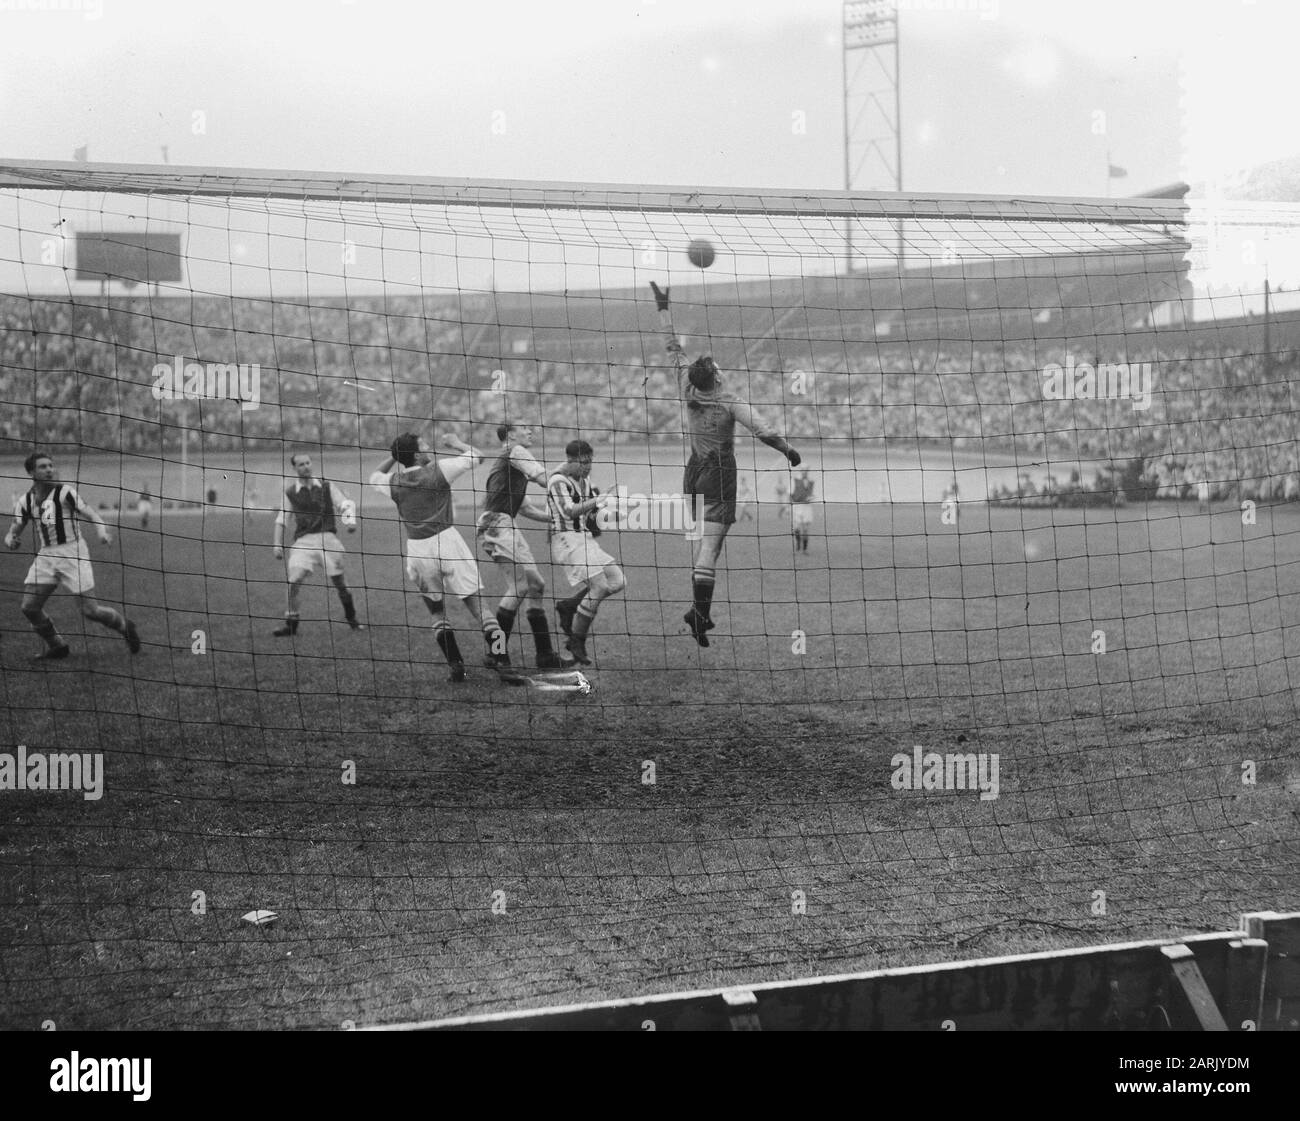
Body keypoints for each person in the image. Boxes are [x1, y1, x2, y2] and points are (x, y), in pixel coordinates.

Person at [649, 281, 801, 646]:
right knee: (709, 548)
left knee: (710, 546)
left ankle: (699, 612)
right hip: (718, 475)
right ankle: (699, 614)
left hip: (693, 474)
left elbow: (672, 347)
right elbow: (761, 429)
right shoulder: (729, 399)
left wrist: (663, 309)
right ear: (716, 376)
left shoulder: (687, 387)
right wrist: (788, 450)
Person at [369, 431, 508, 682]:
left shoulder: (393, 483)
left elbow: (372, 477)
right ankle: (502, 659)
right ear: (417, 453)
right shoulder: (438, 470)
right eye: (423, 444)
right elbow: (477, 456)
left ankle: (456, 665)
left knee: (436, 613)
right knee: (481, 609)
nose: (428, 446)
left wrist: (394, 457)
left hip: (418, 551)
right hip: (448, 542)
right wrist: (456, 443)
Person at [4, 450, 141, 661]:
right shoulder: (26, 501)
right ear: (31, 472)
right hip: (46, 556)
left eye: (51, 465)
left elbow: (91, 514)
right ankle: (57, 645)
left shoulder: (65, 492)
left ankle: (125, 626)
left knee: (90, 611)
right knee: (29, 607)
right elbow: (15, 528)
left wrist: (101, 531)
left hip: (73, 552)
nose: (50, 470)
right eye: (43, 466)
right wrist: (10, 539)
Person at [475, 422, 568, 669]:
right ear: (510, 435)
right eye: (524, 428)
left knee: (535, 585)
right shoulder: (516, 452)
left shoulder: (510, 464)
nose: (530, 431)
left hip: (505, 524)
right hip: (497, 525)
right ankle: (496, 653)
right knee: (519, 586)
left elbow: (525, 507)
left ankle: (545, 656)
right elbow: (542, 478)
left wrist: (555, 517)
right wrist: (567, 482)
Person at [547, 439, 624, 666]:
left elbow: (592, 514)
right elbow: (569, 512)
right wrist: (596, 500)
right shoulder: (557, 480)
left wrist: (613, 513)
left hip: (584, 540)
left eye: (590, 462)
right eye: (583, 463)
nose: (588, 467)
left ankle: (569, 606)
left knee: (618, 580)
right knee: (599, 586)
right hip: (566, 541)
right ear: (570, 460)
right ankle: (577, 641)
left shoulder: (585, 479)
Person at [271, 452, 363, 636]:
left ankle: (352, 618)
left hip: (328, 539)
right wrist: (277, 544)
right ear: (295, 468)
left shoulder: (326, 486)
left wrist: (349, 521)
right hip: (303, 542)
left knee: (340, 584)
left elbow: (344, 504)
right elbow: (281, 519)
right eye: (301, 464)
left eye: (308, 463)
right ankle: (291, 623)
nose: (306, 466)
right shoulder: (290, 493)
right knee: (294, 580)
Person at [790, 468, 816, 551]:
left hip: (806, 507)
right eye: (803, 470)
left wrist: (811, 498)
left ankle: (804, 549)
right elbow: (789, 494)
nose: (805, 472)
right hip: (796, 506)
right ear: (801, 471)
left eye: (806, 470)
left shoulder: (811, 481)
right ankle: (798, 543)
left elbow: (812, 494)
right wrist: (788, 507)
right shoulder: (794, 480)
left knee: (805, 529)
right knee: (796, 528)